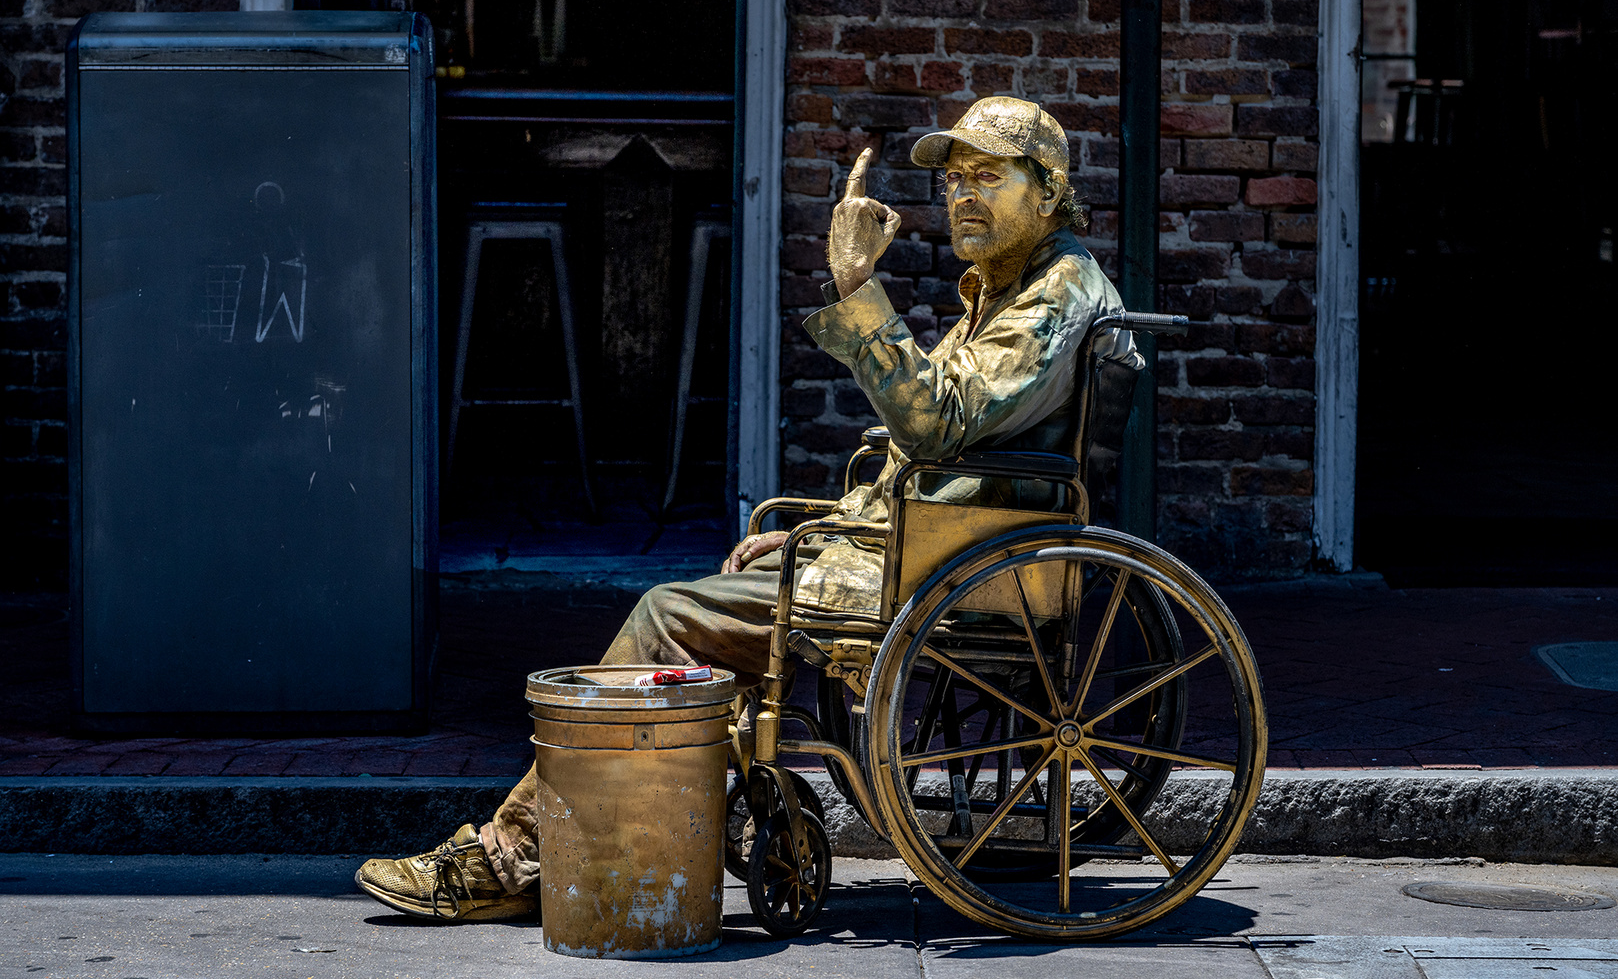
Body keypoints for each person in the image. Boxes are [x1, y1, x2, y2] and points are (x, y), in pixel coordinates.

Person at [353, 95, 1142, 921]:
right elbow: (926, 452)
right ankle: (629, 824)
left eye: (989, 176)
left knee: (670, 616)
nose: (963, 196)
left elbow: (935, 422)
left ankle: (514, 852)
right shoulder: (1007, 291)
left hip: (950, 562)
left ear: (1049, 191)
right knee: (712, 609)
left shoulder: (1057, 295)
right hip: (922, 543)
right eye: (954, 181)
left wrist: (854, 285)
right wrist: (822, 531)